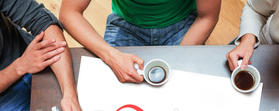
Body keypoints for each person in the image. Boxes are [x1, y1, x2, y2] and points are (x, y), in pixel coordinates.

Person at [59, 0, 221, 83]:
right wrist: (112, 57)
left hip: (181, 23)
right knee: (112, 96)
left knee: (187, 90)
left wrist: (179, 59)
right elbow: (69, 13)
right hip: (126, 24)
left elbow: (207, 17)